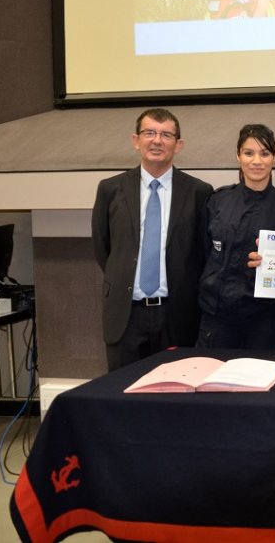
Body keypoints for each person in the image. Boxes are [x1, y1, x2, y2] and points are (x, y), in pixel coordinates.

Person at [92, 109, 213, 371]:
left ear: (178, 145)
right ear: (136, 140)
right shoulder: (110, 190)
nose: (157, 141)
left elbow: (203, 255)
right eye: (149, 133)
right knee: (122, 396)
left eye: (166, 135)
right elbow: (104, 249)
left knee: (174, 399)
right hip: (126, 317)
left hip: (176, 316)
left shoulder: (199, 193)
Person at [196, 124, 275, 350]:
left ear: (274, 158)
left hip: (265, 322)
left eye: (265, 153)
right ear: (238, 156)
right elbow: (203, 254)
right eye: (249, 153)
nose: (257, 161)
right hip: (217, 319)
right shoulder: (217, 201)